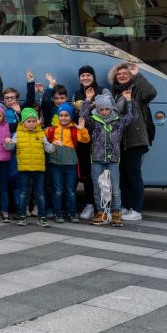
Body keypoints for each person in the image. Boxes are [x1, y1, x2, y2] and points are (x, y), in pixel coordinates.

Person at [80, 88, 137, 226]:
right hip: (97, 160)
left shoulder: (119, 121)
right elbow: (83, 116)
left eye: (107, 109)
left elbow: (132, 116)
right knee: (97, 187)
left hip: (113, 160)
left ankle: (116, 212)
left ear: (111, 108)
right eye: (101, 109)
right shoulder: (93, 121)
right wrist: (88, 100)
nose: (104, 112)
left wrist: (129, 100)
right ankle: (101, 212)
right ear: (97, 110)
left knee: (115, 188)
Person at [109, 62, 157, 222]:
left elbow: (151, 93)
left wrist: (137, 74)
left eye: (125, 73)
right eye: (119, 73)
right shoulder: (114, 93)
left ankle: (136, 209)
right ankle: (125, 206)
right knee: (122, 175)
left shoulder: (137, 91)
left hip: (135, 140)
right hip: (119, 142)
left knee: (134, 176)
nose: (121, 75)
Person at [7, 108, 53, 227]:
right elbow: (9, 147)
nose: (31, 123)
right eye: (29, 121)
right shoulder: (18, 134)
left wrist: (54, 145)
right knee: (23, 193)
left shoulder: (41, 133)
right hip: (24, 169)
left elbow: (48, 149)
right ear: (23, 122)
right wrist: (7, 142)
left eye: (33, 121)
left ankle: (42, 217)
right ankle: (22, 216)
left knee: (40, 194)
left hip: (38, 169)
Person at [46, 103, 90, 223]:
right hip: (56, 165)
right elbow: (42, 139)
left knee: (70, 191)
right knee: (58, 190)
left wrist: (83, 129)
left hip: (71, 165)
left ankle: (72, 213)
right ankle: (57, 213)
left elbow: (86, 140)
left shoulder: (75, 130)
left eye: (66, 115)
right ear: (58, 116)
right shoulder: (51, 130)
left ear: (71, 117)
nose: (64, 118)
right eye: (61, 115)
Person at [72, 65, 101, 220]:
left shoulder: (103, 91)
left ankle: (102, 206)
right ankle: (90, 204)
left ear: (94, 76)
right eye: (82, 75)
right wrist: (87, 104)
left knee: (100, 173)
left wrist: (91, 104)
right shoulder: (76, 94)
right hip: (84, 139)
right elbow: (76, 114)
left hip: (100, 140)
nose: (85, 78)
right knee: (87, 173)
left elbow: (108, 110)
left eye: (88, 75)